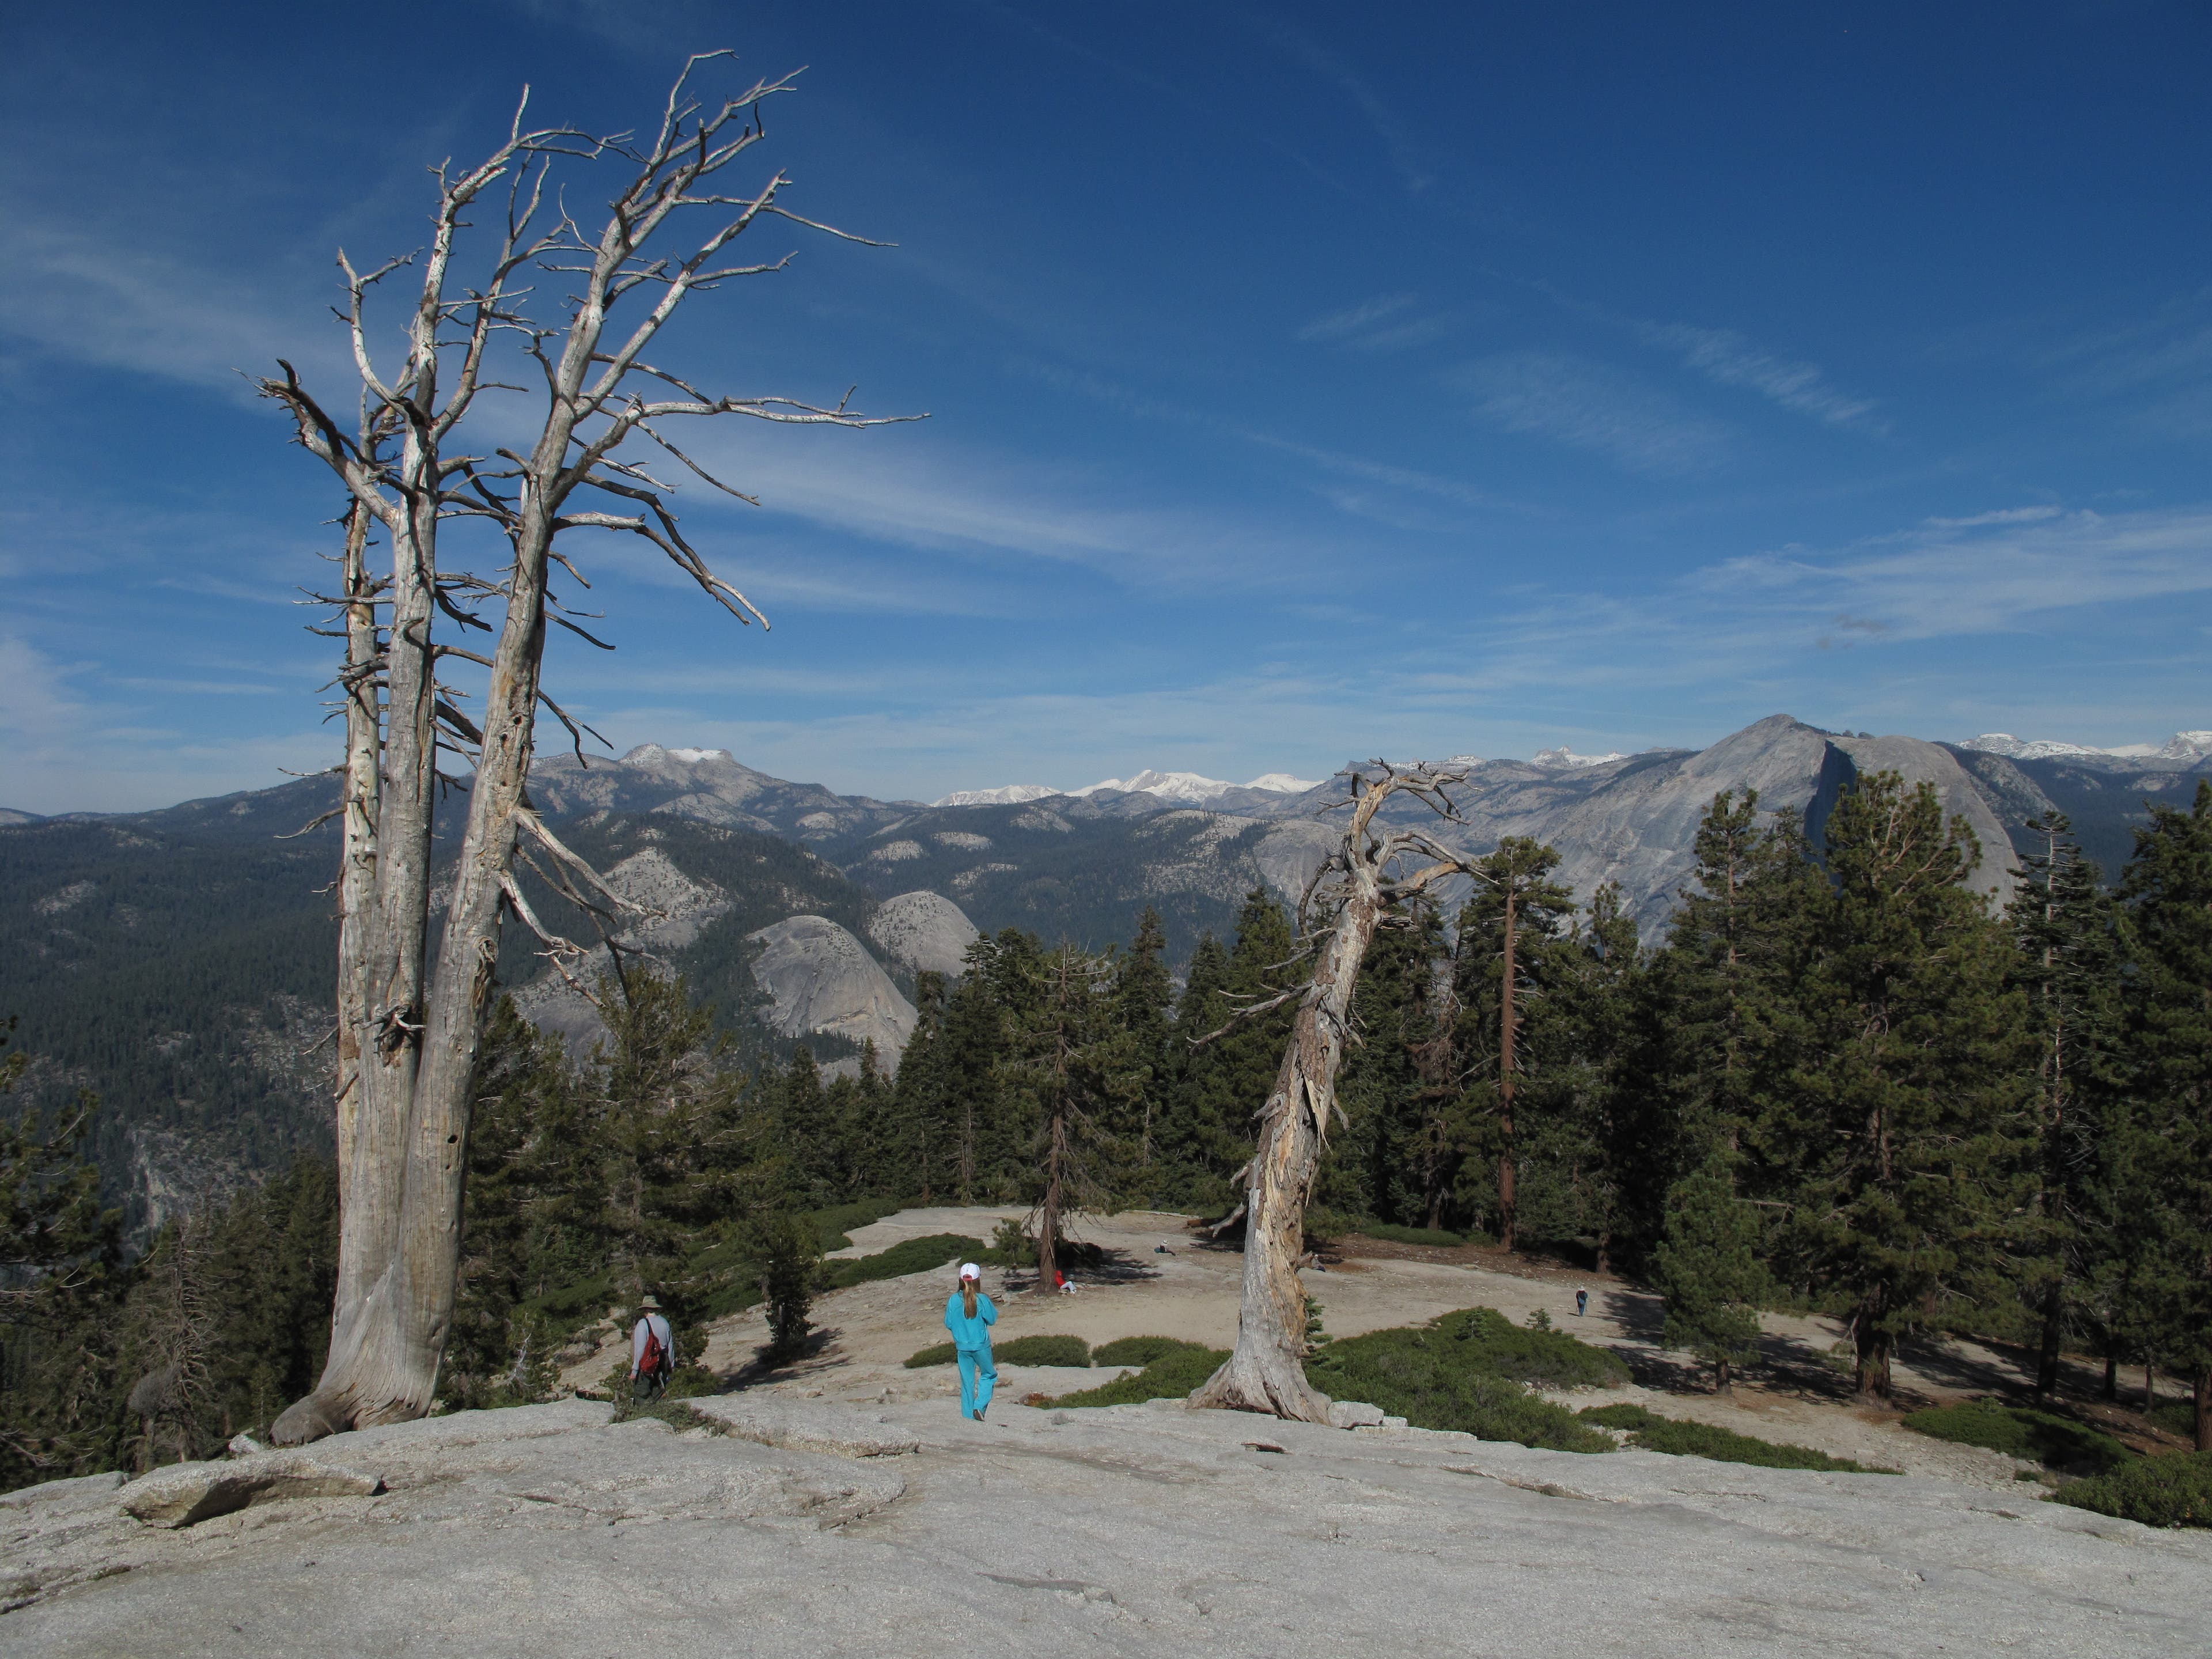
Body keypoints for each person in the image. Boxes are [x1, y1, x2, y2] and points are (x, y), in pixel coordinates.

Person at [942, 1262, 998, 1421]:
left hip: (962, 1347)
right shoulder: (982, 1299)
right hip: (981, 1346)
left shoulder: (953, 1300)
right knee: (989, 1375)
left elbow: (949, 1323)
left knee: (967, 1383)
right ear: (978, 1279)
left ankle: (968, 1418)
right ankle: (979, 1406)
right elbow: (992, 1319)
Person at [631, 1294, 674, 1402]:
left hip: (648, 1363)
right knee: (659, 1394)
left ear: (645, 1309)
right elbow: (670, 1348)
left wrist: (635, 1370)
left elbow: (640, 1349)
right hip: (663, 1362)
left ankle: (645, 1416)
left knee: (642, 1394)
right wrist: (670, 1368)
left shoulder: (643, 1324)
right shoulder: (665, 1323)